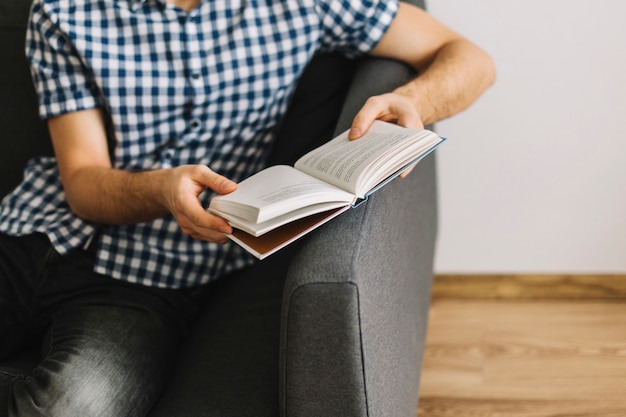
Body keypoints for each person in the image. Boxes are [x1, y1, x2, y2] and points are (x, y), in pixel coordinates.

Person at [0, 0, 495, 415]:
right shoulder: (65, 10)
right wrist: (159, 188)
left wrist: (413, 101)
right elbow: (85, 185)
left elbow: (472, 60)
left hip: (149, 283)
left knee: (69, 407)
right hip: (28, 235)